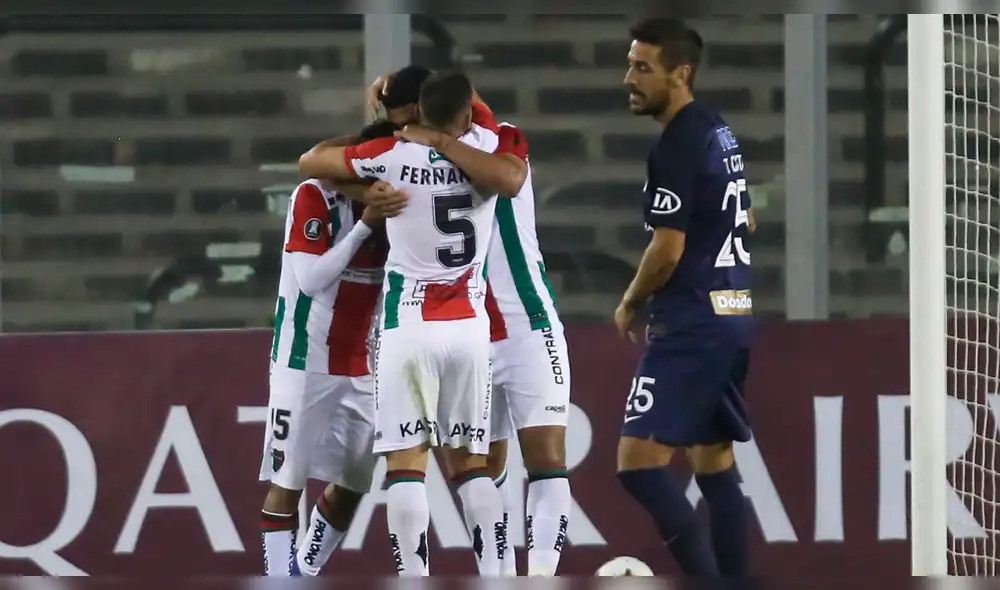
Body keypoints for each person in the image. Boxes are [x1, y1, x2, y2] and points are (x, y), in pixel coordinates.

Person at [297, 71, 528, 577]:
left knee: (406, 468)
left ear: (417, 110)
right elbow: (500, 155)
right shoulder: (486, 148)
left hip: (408, 327)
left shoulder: (390, 154)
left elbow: (311, 162)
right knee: (471, 468)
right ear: (465, 113)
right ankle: (499, 578)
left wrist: (384, 139)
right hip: (469, 328)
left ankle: (414, 578)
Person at [358, 66, 572, 578]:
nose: (404, 129)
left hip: (526, 323)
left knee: (546, 460)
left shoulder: (500, 142)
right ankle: (499, 578)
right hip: (469, 328)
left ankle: (539, 579)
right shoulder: (417, 156)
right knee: (484, 469)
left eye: (408, 119)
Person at [613, 17, 757, 577]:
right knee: (712, 461)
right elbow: (746, 218)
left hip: (694, 321)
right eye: (630, 65)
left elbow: (667, 248)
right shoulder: (718, 129)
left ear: (681, 73)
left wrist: (631, 300)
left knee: (638, 464)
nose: (630, 78)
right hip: (733, 311)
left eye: (643, 68)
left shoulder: (675, 145)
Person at [258, 121, 404, 577]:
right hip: (303, 360)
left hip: (360, 363)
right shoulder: (314, 196)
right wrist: (363, 228)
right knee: (288, 481)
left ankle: (304, 571)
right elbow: (310, 280)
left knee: (355, 483)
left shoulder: (401, 208)